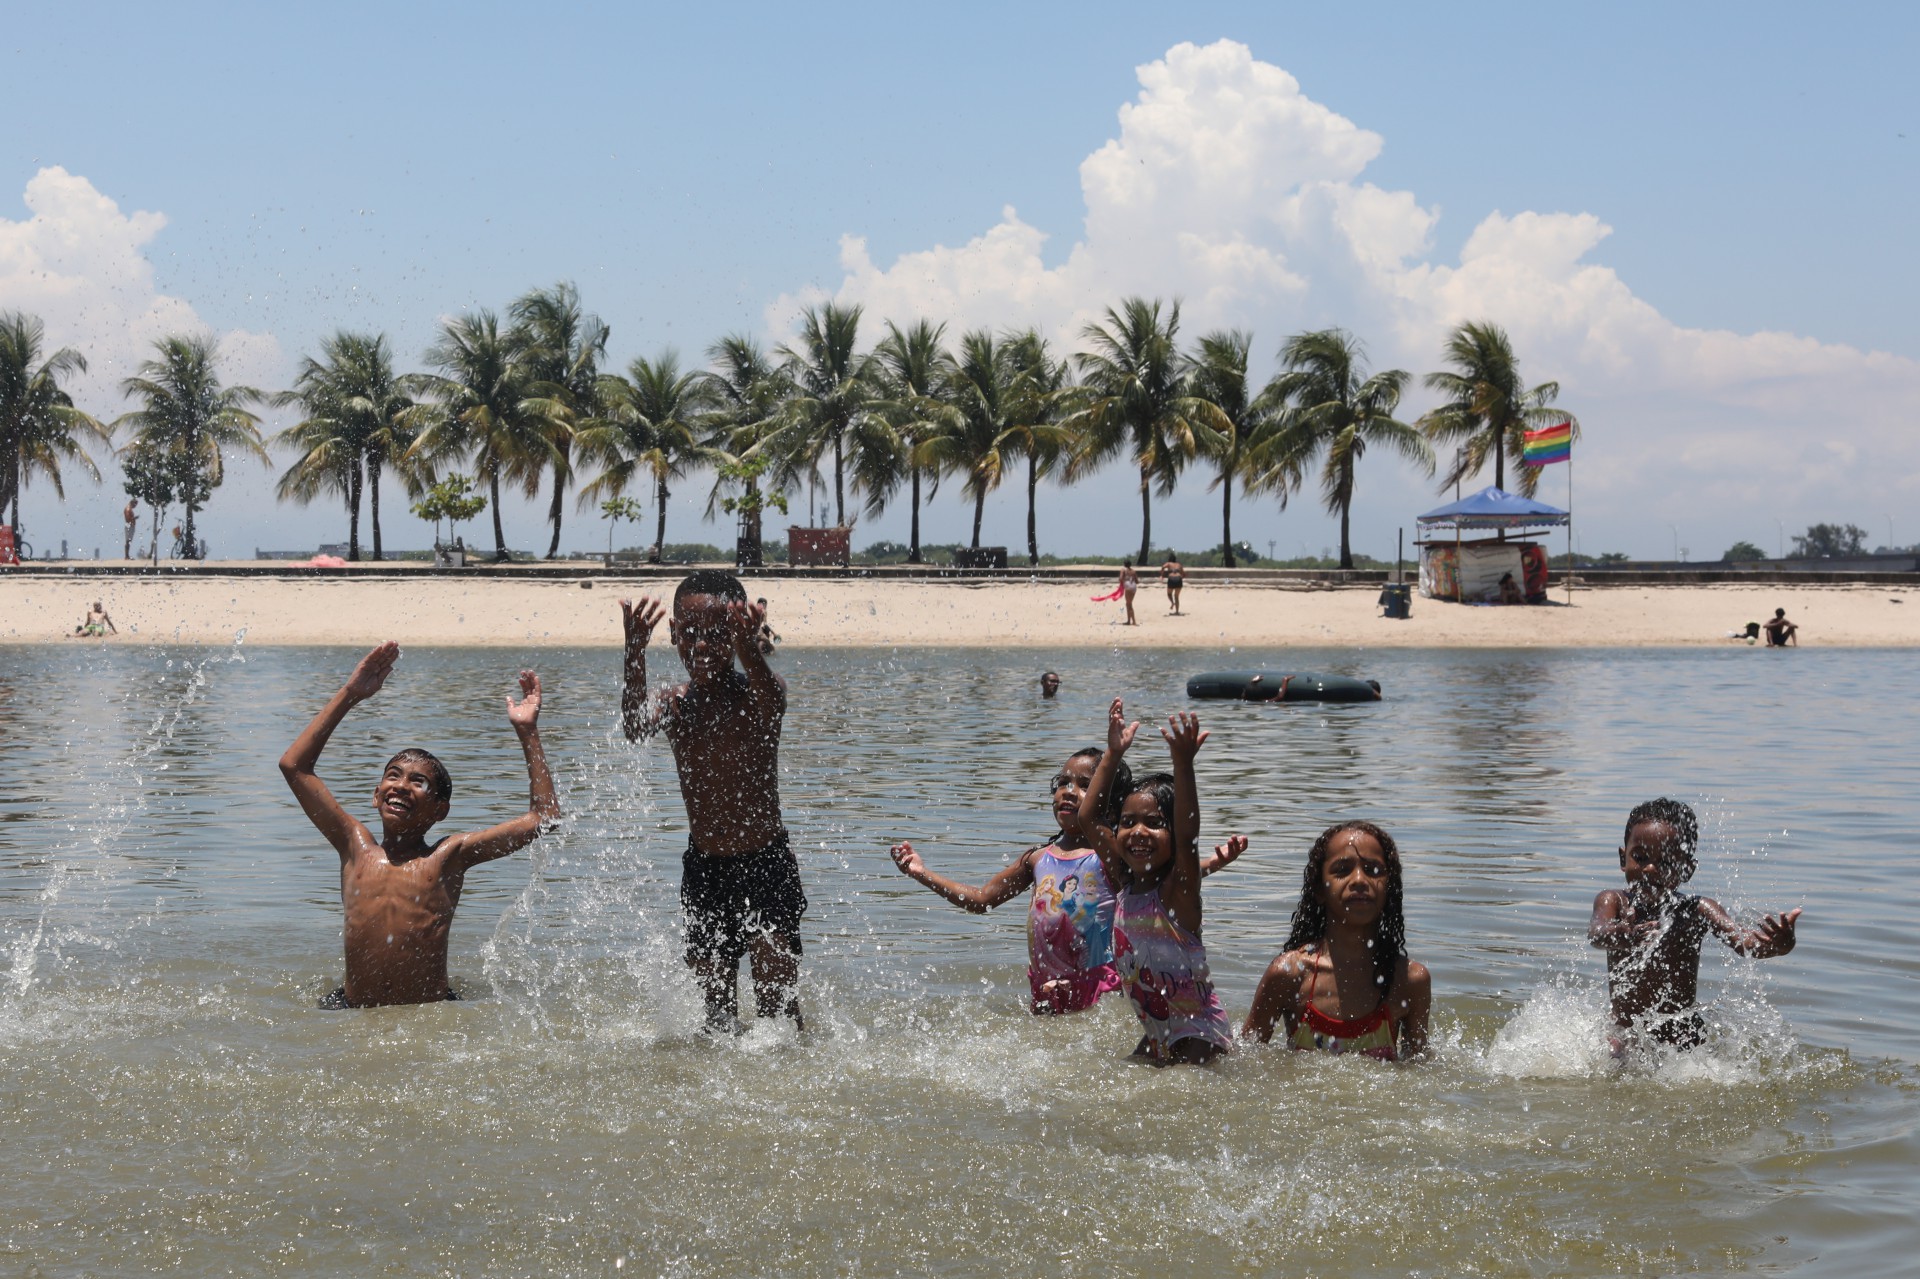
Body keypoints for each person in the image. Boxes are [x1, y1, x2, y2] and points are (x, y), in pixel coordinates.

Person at [278, 642, 558, 1008]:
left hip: (429, 1009)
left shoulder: (448, 857)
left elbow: (544, 819)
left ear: (440, 811)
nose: (402, 786)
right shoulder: (354, 845)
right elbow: (294, 767)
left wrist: (527, 732)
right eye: (393, 776)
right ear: (376, 795)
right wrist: (351, 694)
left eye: (418, 782)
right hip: (351, 1006)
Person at [890, 748, 1244, 1014]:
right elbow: (982, 899)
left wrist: (1211, 863)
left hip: (1101, 988)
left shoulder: (1113, 857)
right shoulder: (1038, 858)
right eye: (1063, 783)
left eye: (1084, 785)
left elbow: (1158, 873)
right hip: (1044, 989)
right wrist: (922, 873)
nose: (1068, 792)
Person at [621, 572, 804, 1031]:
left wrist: (747, 647)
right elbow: (634, 728)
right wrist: (633, 654)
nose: (702, 647)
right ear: (674, 635)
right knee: (717, 1019)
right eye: (690, 635)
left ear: (740, 633)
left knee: (776, 1013)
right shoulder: (676, 704)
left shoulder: (761, 693)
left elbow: (772, 702)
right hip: (705, 869)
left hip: (766, 863)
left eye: (718, 635)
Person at [1076, 699, 1240, 1063]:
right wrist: (1113, 753)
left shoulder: (1177, 893)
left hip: (1201, 1037)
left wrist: (1183, 765)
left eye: (1153, 823)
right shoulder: (1123, 885)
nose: (1138, 832)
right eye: (1128, 822)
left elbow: (1188, 836)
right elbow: (1089, 818)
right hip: (1155, 1034)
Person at [1588, 798, 1801, 1051]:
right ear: (1623, 858)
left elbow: (1744, 944)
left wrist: (1779, 946)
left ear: (1687, 870)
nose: (1651, 869)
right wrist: (1623, 933)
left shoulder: (1697, 909)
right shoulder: (1614, 902)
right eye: (1640, 857)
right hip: (1627, 1033)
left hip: (1682, 1036)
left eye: (1666, 862)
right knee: (1615, 1050)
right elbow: (1597, 933)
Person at [1241, 822, 1430, 1060]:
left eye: (1373, 870)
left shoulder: (1409, 980)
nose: (1359, 880)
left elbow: (1419, 1072)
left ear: (1389, 888)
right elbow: (1244, 1060)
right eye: (1342, 870)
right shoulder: (1290, 975)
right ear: (1319, 889)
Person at [1118, 560, 1139, 627]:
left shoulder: (1123, 570)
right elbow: (1137, 581)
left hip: (1128, 586)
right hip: (1134, 586)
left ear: (1124, 564)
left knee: (1129, 604)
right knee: (1128, 603)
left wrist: (1123, 582)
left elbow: (1120, 578)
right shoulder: (1133, 571)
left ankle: (1134, 622)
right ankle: (1129, 621)